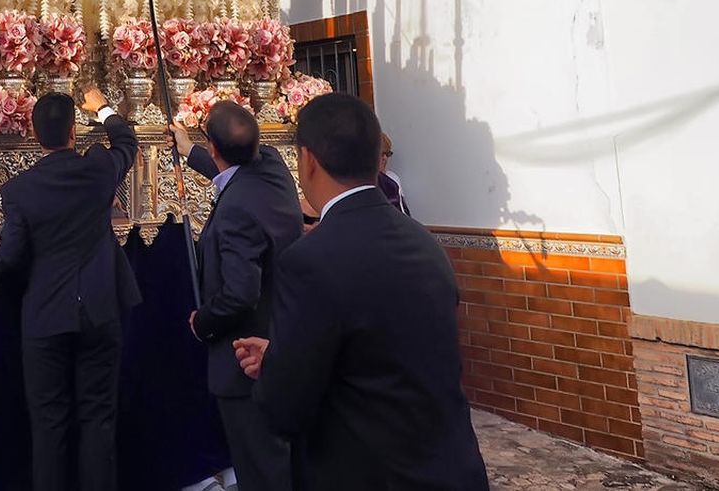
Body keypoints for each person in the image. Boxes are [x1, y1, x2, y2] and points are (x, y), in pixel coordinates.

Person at [234, 93, 488, 490]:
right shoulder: (424, 242)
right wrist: (286, 352)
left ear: (308, 160)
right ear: (376, 157)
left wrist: (277, 369)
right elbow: (388, 351)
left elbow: (286, 409)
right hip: (448, 466)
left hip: (367, 473)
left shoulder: (309, 260)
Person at [0, 88, 140, 491]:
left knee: (49, 425)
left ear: (36, 137)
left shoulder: (20, 189)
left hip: (46, 315)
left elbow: (11, 259)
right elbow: (126, 140)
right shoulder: (99, 168)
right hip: (101, 309)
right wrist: (102, 108)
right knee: (98, 418)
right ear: (73, 131)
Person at [173, 102, 303, 491]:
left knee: (260, 466)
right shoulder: (274, 168)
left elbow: (239, 294)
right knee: (282, 456)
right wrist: (190, 151)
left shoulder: (235, 212)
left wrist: (203, 323)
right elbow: (237, 170)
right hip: (282, 336)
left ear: (214, 146)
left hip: (243, 359)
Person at [378, 132, 410, 215]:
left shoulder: (392, 179)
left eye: (387, 154)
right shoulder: (360, 180)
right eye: (381, 153)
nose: (385, 158)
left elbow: (403, 215)